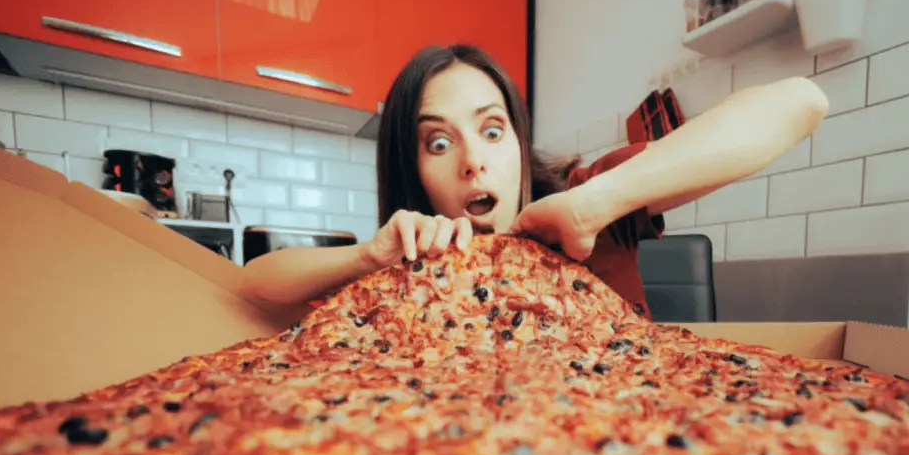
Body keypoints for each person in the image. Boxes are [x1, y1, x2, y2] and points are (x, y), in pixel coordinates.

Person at [242, 44, 828, 317]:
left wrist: (595, 203)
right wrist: (368, 257)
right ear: (412, 170)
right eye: (439, 143)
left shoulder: (588, 194)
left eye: (492, 131)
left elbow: (800, 102)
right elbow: (255, 283)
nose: (473, 161)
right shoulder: (408, 260)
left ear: (521, 143)